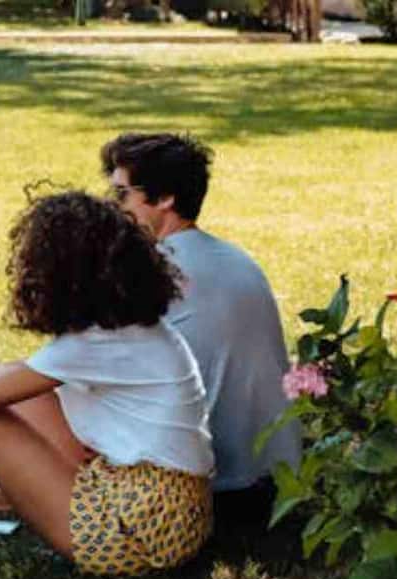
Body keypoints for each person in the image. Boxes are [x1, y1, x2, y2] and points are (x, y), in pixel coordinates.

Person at [0, 191, 214, 574]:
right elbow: (2, 377)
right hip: (168, 513)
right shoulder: (128, 329)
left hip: (136, 531)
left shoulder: (95, 344)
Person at [98, 133, 303, 531]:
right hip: (281, 486)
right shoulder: (236, 258)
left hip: (214, 494)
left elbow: (82, 376)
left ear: (165, 198)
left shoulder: (153, 271)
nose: (113, 207)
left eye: (121, 195)